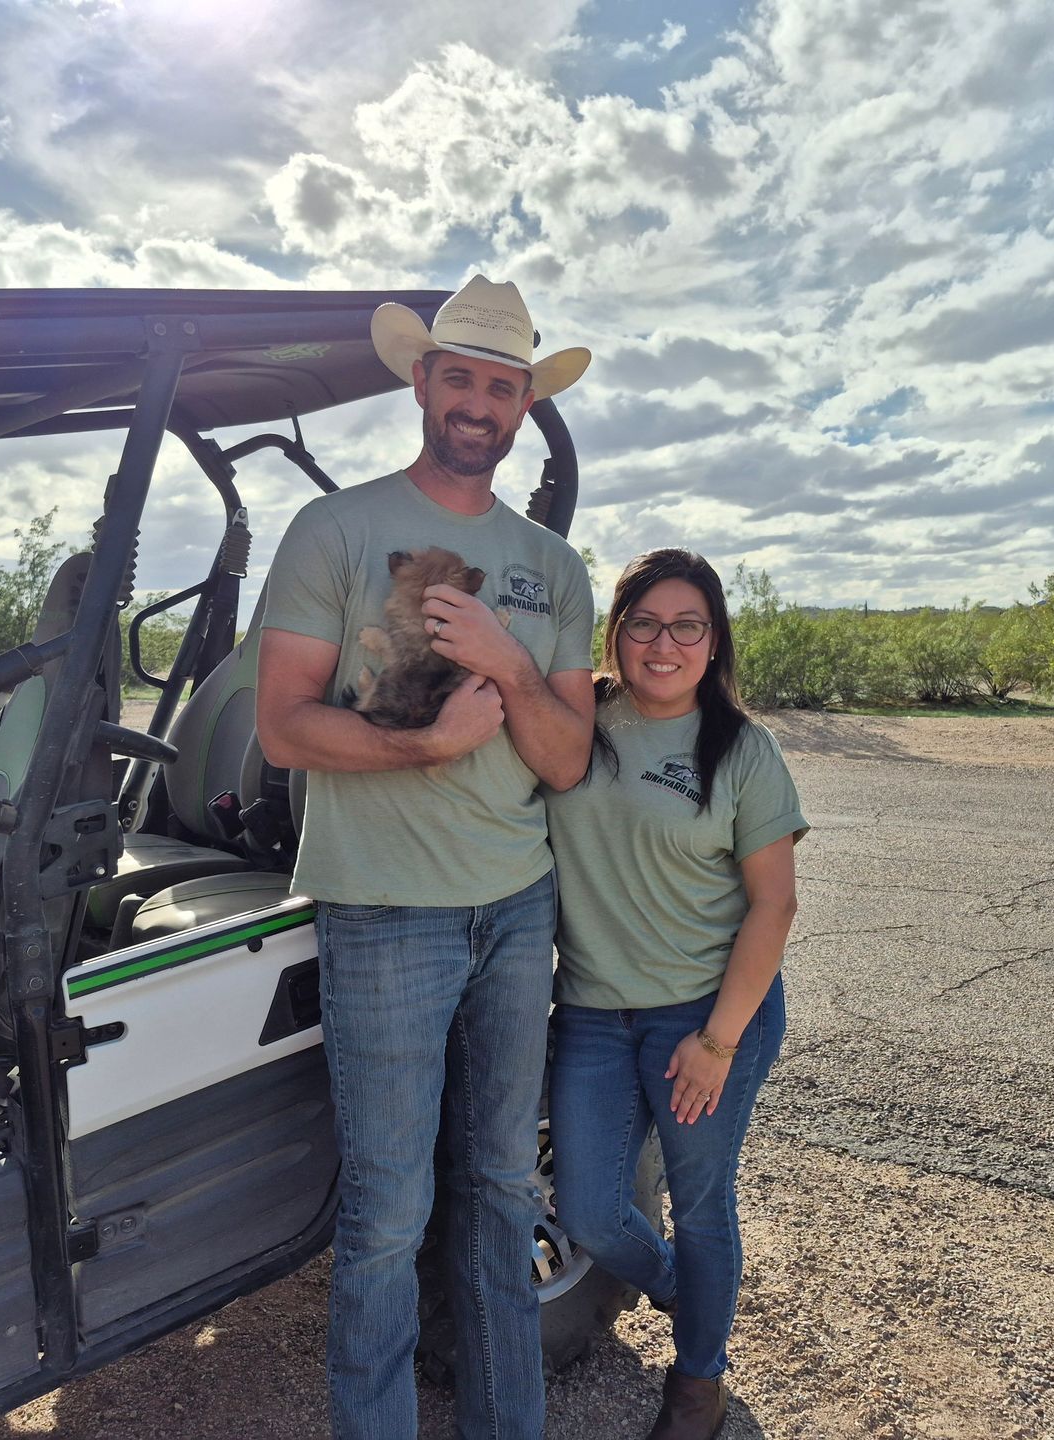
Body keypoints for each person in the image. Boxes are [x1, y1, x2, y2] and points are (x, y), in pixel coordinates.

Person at [256, 274, 596, 1439]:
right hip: (382, 912)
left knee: (501, 1191)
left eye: (503, 386)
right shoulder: (335, 531)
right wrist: (423, 744)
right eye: (460, 377)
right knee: (388, 1217)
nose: (480, 403)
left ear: (520, 407)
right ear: (422, 382)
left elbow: (562, 760)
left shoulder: (552, 569)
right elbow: (283, 725)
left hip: (515, 910)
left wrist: (505, 664)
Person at [543, 549, 806, 1440]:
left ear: (714, 639)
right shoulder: (579, 718)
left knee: (700, 1203)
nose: (665, 643)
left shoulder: (741, 748)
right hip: (590, 1013)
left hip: (705, 1017)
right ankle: (678, 1286)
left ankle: (699, 1381)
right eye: (644, 623)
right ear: (614, 633)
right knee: (584, 1207)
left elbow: (775, 903)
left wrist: (718, 1041)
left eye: (687, 625)